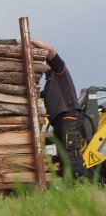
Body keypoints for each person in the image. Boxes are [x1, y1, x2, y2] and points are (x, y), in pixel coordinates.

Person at [30, 39, 88, 179]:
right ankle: (72, 185)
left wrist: (28, 40)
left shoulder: (59, 70)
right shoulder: (49, 84)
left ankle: (84, 184)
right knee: (62, 156)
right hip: (59, 122)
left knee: (71, 154)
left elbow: (50, 49)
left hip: (68, 117)